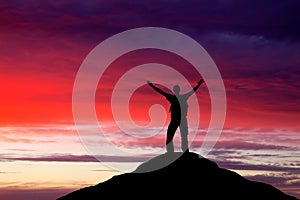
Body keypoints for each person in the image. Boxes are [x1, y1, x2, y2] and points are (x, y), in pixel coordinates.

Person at [147, 79, 204, 153]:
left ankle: (182, 151)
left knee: (181, 135)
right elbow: (161, 91)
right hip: (176, 120)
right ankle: (172, 151)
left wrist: (198, 85)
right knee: (172, 135)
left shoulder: (177, 97)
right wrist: (152, 86)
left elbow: (192, 91)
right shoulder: (177, 97)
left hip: (181, 119)